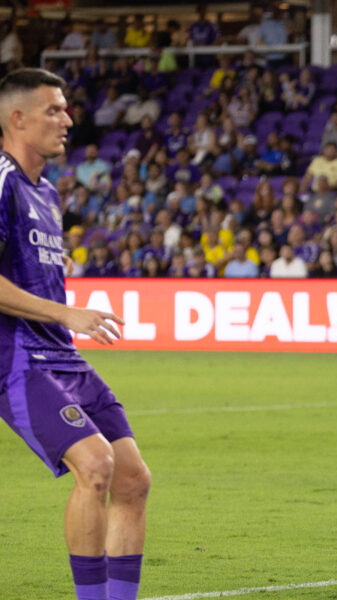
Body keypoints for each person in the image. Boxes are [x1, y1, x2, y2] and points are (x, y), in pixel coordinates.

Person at [0, 68, 151, 600]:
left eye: (66, 109)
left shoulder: (46, 193)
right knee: (95, 465)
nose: (68, 120)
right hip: (16, 356)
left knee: (133, 479)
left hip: (59, 357)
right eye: (54, 110)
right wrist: (66, 313)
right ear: (16, 118)